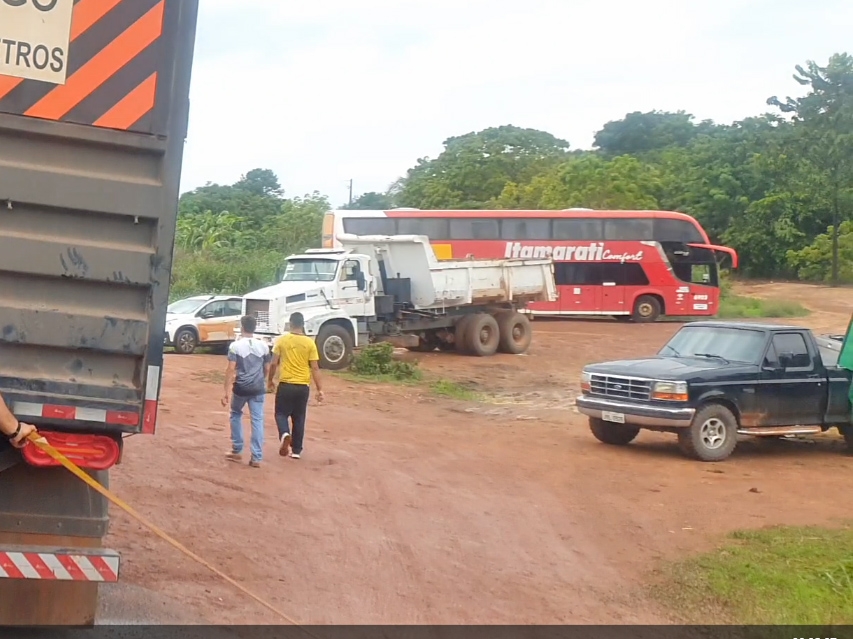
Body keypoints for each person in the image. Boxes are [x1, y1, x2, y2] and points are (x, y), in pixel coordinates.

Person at [267, 312, 324, 459]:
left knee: (280, 413)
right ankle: (296, 450)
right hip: (302, 386)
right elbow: (315, 368)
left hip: (286, 384)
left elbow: (274, 363)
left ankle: (285, 433)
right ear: (303, 324)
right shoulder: (310, 343)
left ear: (290, 323)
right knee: (299, 417)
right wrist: (319, 389)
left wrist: (270, 380)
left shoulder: (282, 340)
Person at [222, 315, 271, 468]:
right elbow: (267, 367)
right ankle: (256, 457)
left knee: (236, 413)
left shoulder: (235, 346)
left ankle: (237, 449)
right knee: (257, 419)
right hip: (257, 388)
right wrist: (262, 379)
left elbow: (231, 369)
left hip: (241, 387)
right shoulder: (263, 346)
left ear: (242, 327)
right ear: (254, 328)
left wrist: (226, 391)